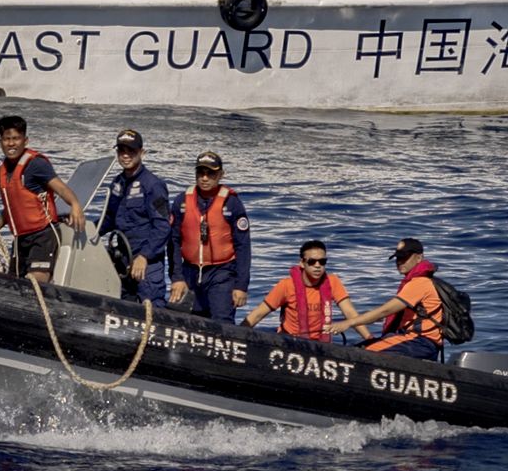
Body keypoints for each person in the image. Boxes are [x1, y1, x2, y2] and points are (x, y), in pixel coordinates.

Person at [0, 115, 85, 284]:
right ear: (0, 142)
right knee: (13, 283)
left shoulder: (36, 165)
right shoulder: (3, 170)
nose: (11, 144)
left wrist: (75, 204)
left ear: (25, 140)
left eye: (16, 139)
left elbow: (61, 188)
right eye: (7, 139)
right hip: (20, 239)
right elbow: (12, 208)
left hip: (43, 235)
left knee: (36, 283)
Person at [326, 238, 443, 360]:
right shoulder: (416, 281)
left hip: (420, 343)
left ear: (419, 258)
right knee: (357, 348)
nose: (399, 262)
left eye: (404, 258)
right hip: (415, 341)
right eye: (398, 258)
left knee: (361, 354)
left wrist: (348, 323)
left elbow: (384, 311)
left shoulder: (419, 283)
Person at [168, 151, 251, 324]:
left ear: (221, 174)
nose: (205, 178)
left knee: (222, 320)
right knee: (183, 320)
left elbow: (243, 247)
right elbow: (173, 242)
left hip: (222, 272)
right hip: (189, 272)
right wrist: (177, 278)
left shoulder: (232, 203)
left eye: (210, 173)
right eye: (201, 173)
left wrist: (241, 285)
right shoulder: (181, 201)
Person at [241, 240, 372, 341]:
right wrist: (236, 335)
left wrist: (369, 339)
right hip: (290, 342)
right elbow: (257, 314)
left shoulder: (333, 282)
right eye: (312, 262)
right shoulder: (286, 285)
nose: (317, 266)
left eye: (322, 261)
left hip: (321, 345)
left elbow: (350, 313)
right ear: (302, 263)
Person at [97, 129, 170, 309]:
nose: (126, 155)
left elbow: (162, 227)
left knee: (151, 309)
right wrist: (87, 231)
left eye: (131, 151)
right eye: (122, 151)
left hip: (146, 264)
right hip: (122, 261)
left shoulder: (153, 185)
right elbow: (109, 218)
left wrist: (144, 256)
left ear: (141, 152)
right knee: (122, 308)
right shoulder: (117, 183)